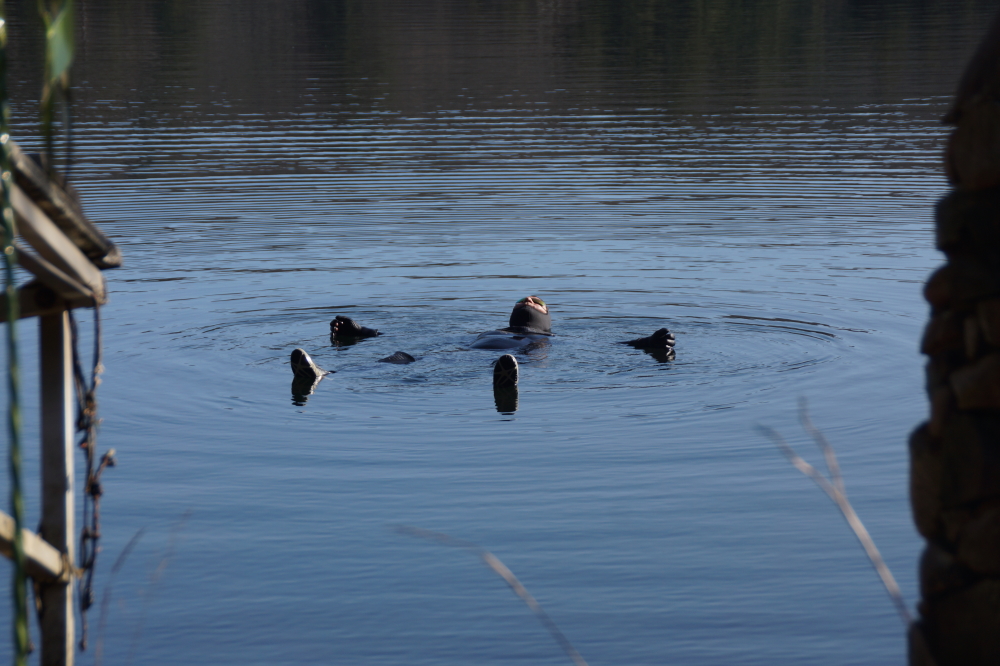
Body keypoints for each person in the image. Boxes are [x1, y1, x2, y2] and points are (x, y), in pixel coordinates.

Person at [290, 296, 675, 397]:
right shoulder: (485, 330)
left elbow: (609, 347)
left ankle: (506, 381)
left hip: (515, 358)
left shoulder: (548, 339)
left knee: (504, 361)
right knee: (407, 358)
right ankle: (326, 373)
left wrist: (650, 342)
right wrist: (363, 331)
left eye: (538, 301)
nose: (529, 297)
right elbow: (410, 335)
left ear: (545, 318)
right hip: (461, 355)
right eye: (526, 298)